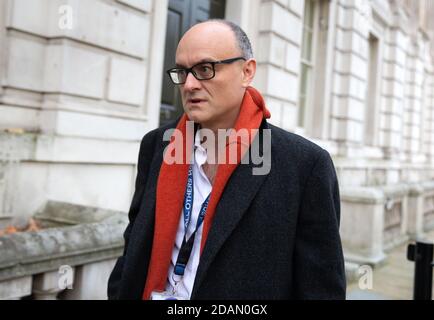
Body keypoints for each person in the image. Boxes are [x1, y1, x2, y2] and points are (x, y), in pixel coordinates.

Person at [108, 19, 346, 300]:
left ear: (247, 71)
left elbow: (320, 288)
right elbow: (135, 243)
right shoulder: (157, 145)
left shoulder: (304, 166)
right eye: (182, 72)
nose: (190, 84)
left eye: (205, 69)